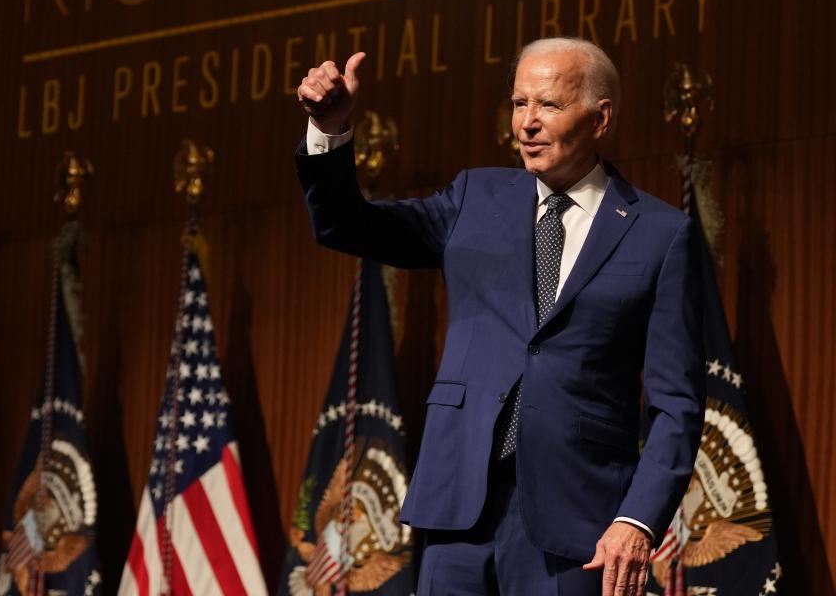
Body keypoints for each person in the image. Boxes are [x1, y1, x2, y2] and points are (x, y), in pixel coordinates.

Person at [295, 37, 705, 596]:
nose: (527, 123)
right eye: (518, 104)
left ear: (600, 117)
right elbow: (347, 225)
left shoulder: (660, 235)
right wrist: (332, 132)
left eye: (549, 105)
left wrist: (636, 520)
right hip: (457, 509)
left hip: (580, 527)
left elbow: (675, 404)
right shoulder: (473, 197)